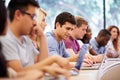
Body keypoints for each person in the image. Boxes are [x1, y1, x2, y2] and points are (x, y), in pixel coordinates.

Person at [0, 0, 71, 78]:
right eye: (32, 17)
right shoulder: (6, 38)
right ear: (18, 15)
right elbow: (19, 73)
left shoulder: (25, 37)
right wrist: (52, 60)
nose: (34, 22)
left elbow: (41, 61)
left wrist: (42, 36)